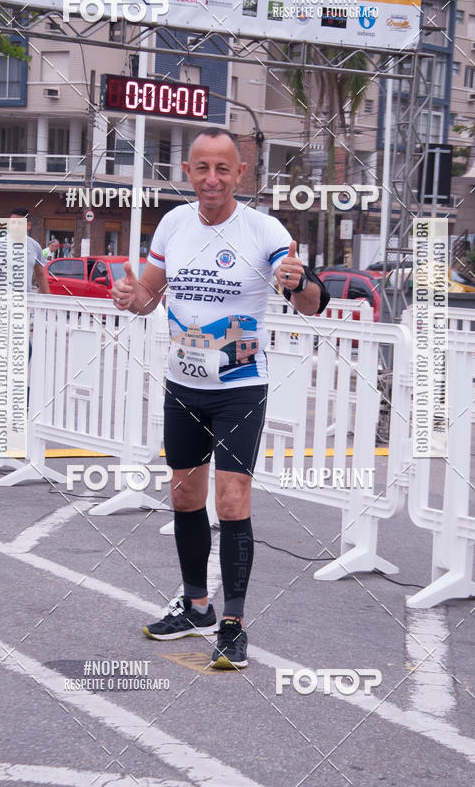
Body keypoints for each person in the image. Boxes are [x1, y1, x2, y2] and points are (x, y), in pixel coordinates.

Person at [112, 127, 328, 670]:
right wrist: (129, 298)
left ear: (240, 174)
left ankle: (232, 623)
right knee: (185, 498)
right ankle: (196, 606)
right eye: (202, 168)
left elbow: (310, 304)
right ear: (188, 172)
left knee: (232, 500)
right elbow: (147, 297)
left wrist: (299, 280)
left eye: (223, 169)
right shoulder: (172, 225)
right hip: (183, 384)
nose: (212, 179)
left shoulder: (264, 230)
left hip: (238, 386)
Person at [0, 208, 50, 294]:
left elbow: (40, 275)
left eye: (20, 223)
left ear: (28, 226)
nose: (16, 226)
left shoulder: (35, 246)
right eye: (13, 223)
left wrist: (44, 299)